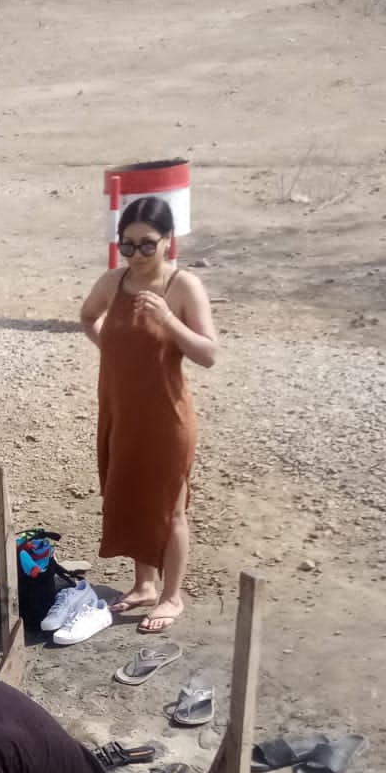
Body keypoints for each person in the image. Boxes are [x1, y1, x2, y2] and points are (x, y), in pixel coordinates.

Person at [79, 195, 218, 634]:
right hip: (122, 413)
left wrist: (168, 321)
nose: (137, 254)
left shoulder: (182, 286)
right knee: (133, 497)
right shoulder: (113, 282)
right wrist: (115, 352)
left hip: (167, 421)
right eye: (129, 244)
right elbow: (87, 317)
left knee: (169, 509)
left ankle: (171, 596)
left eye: (147, 244)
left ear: (168, 241)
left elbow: (209, 353)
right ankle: (143, 584)